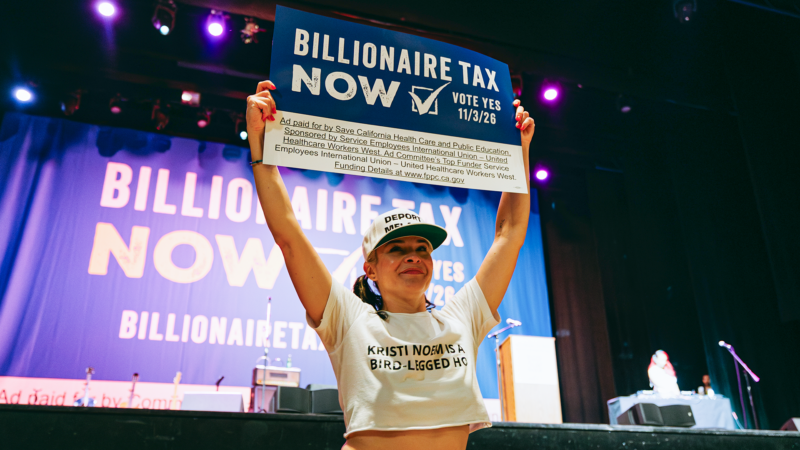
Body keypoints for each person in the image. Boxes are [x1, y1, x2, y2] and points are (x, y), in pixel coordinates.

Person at [245, 80, 534, 450]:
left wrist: (517, 151)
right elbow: (288, 235)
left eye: (422, 248)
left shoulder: (462, 317)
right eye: (396, 249)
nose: (413, 255)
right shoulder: (347, 319)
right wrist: (261, 144)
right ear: (371, 268)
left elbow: (509, 234)